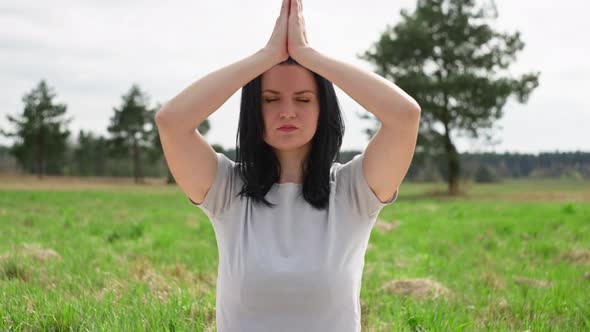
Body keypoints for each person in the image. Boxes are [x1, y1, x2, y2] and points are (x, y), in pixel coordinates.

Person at [155, 0, 421, 330]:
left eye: (303, 99)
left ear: (323, 108)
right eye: (270, 99)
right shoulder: (227, 189)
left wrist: (309, 55)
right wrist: (267, 56)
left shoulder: (354, 191)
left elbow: (405, 117)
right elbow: (171, 122)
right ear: (254, 110)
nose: (287, 111)